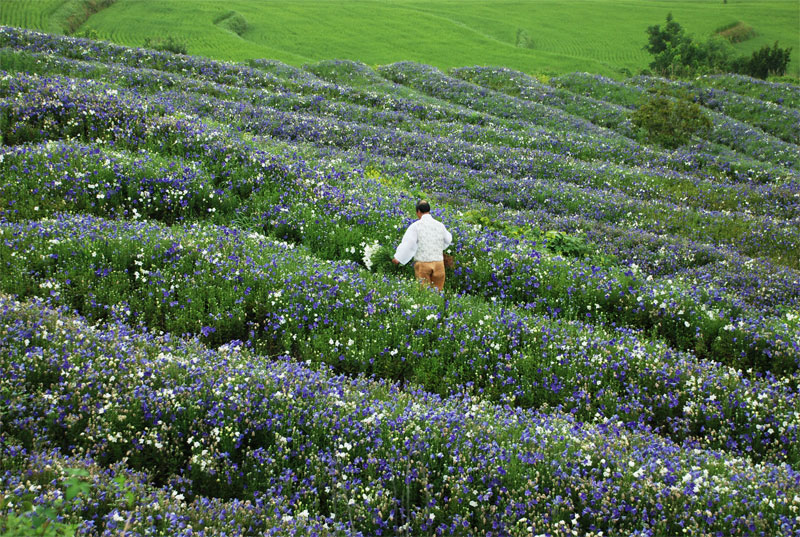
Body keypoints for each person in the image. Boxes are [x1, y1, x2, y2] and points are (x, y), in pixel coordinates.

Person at [392, 200, 453, 291]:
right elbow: (448, 239)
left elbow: (409, 244)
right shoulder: (440, 225)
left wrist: (398, 258)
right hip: (439, 264)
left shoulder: (416, 226)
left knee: (424, 292)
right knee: (438, 291)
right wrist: (439, 247)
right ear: (429, 210)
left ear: (418, 211)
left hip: (423, 264)